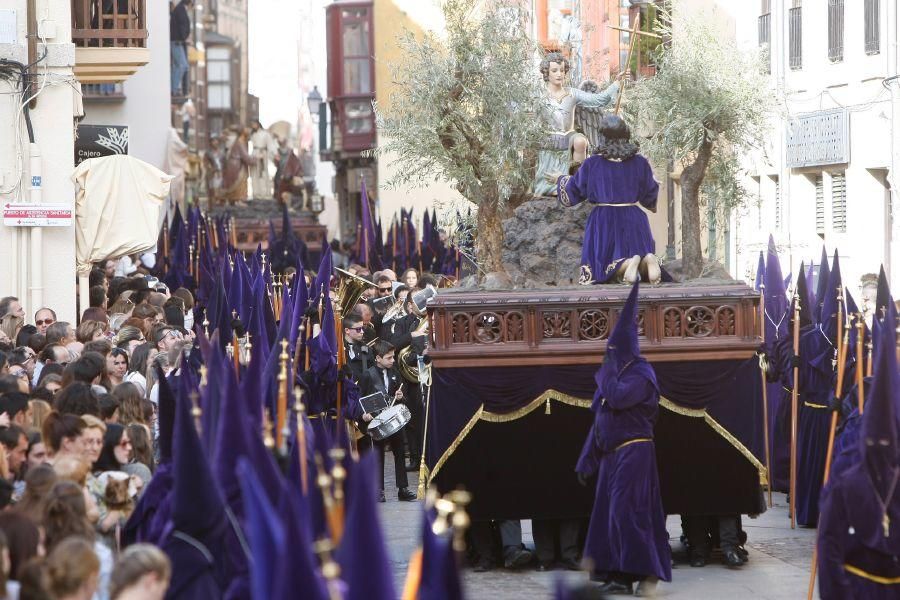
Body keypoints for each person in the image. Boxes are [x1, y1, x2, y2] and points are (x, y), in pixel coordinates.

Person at [575, 282, 671, 596]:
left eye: (613, 350)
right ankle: (617, 573)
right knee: (606, 515)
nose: (608, 354)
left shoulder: (642, 375)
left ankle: (645, 573)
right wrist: (586, 460)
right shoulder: (614, 373)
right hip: (610, 456)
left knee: (627, 513)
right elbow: (600, 419)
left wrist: (605, 374)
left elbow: (616, 398)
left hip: (635, 453)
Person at [557, 115, 662, 286]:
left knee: (602, 266)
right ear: (625, 134)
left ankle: (627, 264)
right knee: (641, 256)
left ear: (603, 136)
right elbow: (650, 193)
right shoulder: (640, 162)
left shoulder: (592, 163)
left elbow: (575, 190)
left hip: (603, 219)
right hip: (634, 217)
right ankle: (646, 260)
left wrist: (561, 179)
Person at [534, 51, 618, 196]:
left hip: (569, 135)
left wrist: (617, 84)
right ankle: (548, 186)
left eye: (562, 70)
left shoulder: (572, 93)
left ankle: (579, 182)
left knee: (580, 141)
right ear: (547, 73)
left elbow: (598, 100)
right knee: (550, 157)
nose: (559, 74)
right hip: (548, 138)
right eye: (554, 70)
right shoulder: (539, 95)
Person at [359, 340, 416, 503]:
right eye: (389, 358)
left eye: (393, 357)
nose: (392, 360)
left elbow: (401, 396)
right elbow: (360, 398)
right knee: (378, 455)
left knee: (399, 453)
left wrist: (401, 397)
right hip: (377, 420)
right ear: (378, 358)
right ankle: (379, 490)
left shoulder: (395, 373)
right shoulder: (368, 375)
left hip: (393, 420)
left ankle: (403, 489)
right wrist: (364, 415)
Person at [222, 128, 254, 206]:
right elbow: (246, 157)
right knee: (240, 182)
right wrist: (256, 159)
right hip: (237, 165)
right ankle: (239, 199)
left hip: (235, 164)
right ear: (243, 133)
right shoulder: (240, 142)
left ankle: (234, 200)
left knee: (237, 182)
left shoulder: (240, 141)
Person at [169, 0, 193, 97]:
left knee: (179, 66)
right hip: (177, 42)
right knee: (182, 66)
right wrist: (186, 39)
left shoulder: (179, 9)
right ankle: (173, 90)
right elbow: (182, 26)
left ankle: (175, 88)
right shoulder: (181, 10)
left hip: (177, 42)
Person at [249, 120, 276, 200]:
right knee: (254, 174)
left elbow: (270, 145)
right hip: (254, 155)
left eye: (254, 124)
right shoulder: (253, 134)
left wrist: (275, 153)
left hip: (262, 154)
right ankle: (256, 193)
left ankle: (265, 193)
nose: (253, 126)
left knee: (263, 174)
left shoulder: (265, 134)